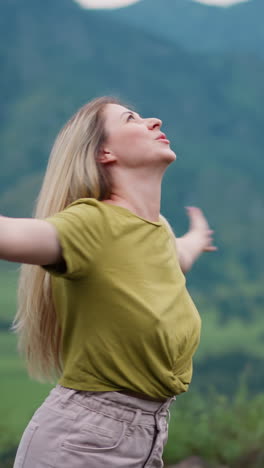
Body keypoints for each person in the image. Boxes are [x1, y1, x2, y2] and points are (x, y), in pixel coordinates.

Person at [1, 96, 216, 468]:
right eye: (131, 118)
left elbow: (176, 258)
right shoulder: (93, 224)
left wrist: (197, 237)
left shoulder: (158, 231)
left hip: (145, 438)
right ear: (104, 153)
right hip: (82, 445)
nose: (154, 119)